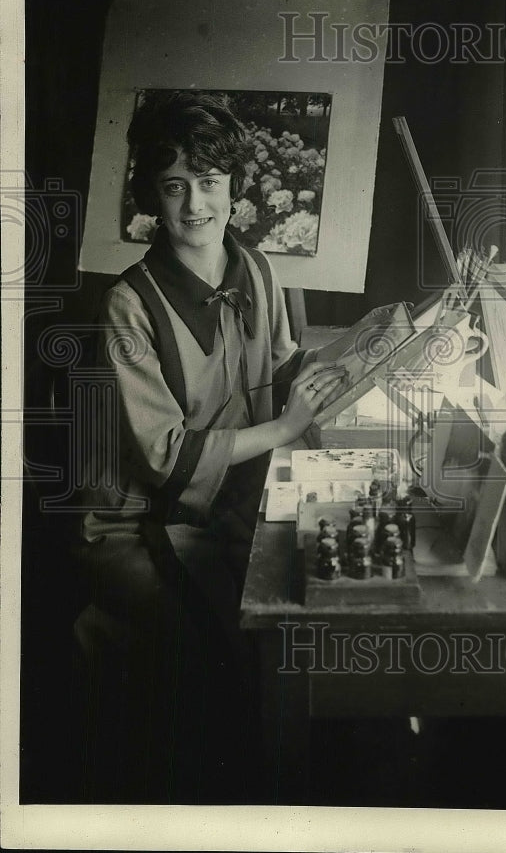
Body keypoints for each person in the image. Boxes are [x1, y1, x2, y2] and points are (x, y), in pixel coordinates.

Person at [73, 91, 347, 803]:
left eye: (211, 183)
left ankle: (274, 786)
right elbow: (165, 456)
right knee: (219, 658)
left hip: (221, 501)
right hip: (136, 525)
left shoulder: (254, 267)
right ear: (150, 198)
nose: (196, 205)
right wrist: (286, 430)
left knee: (300, 618)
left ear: (235, 188)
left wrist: (325, 372)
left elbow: (280, 365)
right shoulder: (130, 303)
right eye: (174, 187)